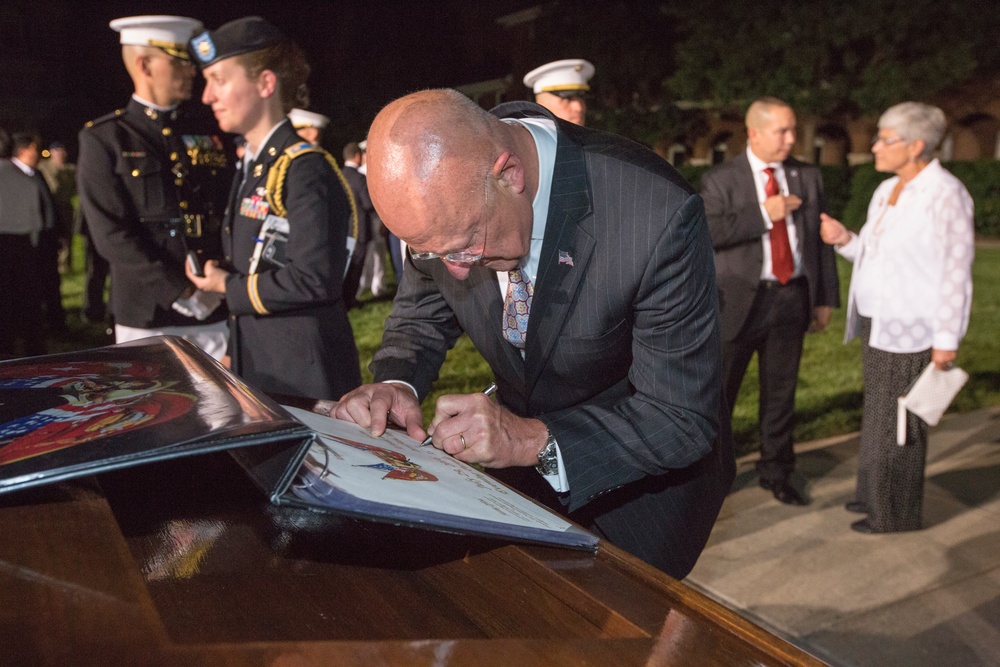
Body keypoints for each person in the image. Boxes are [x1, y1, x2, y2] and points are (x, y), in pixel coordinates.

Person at [333, 89, 735, 578]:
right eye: (430, 253)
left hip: (637, 502)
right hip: (517, 485)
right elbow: (421, 311)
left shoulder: (653, 216)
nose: (456, 272)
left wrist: (527, 441)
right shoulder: (448, 209)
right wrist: (397, 382)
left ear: (509, 175)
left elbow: (680, 418)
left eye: (464, 246)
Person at [186, 16, 361, 402]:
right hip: (267, 367)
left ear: (265, 83)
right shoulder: (255, 164)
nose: (206, 96)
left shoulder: (302, 167)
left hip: (306, 379)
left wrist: (225, 287)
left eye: (219, 80)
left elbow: (315, 278)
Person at [819, 102, 974, 534]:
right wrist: (844, 239)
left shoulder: (946, 195)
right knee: (881, 415)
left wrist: (946, 338)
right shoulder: (885, 190)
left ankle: (895, 515)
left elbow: (955, 271)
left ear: (916, 145)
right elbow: (872, 253)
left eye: (885, 139)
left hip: (913, 329)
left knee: (903, 423)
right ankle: (872, 494)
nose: (874, 147)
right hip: (877, 321)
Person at [700, 97, 840, 506]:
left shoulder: (806, 175)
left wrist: (824, 296)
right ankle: (711, 477)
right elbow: (708, 231)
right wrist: (766, 213)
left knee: (781, 392)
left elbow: (819, 241)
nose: (792, 138)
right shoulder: (722, 179)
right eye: (783, 131)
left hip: (792, 298)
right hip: (739, 302)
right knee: (720, 394)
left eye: (793, 129)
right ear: (755, 133)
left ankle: (777, 471)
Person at [77, 15, 231, 359]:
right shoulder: (105, 138)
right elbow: (111, 235)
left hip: (215, 305)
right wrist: (182, 291)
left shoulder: (209, 131)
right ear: (145, 65)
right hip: (148, 313)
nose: (192, 71)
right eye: (180, 61)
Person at [0, 133, 55, 358]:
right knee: (28, 300)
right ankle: (33, 348)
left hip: (8, 243)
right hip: (25, 244)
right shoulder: (25, 177)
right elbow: (38, 219)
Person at [341, 141, 373, 309]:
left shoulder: (338, 175)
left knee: (345, 266)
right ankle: (350, 300)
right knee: (356, 267)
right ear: (358, 156)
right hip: (359, 229)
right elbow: (367, 203)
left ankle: (344, 299)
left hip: (342, 228)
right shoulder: (359, 177)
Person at [522, 58, 594, 126]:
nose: (579, 108)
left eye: (582, 98)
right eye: (567, 99)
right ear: (541, 105)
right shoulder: (523, 138)